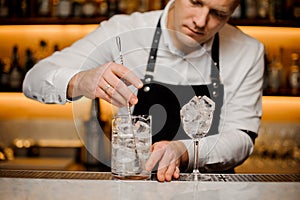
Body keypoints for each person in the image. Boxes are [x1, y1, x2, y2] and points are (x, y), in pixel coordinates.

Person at [23, 0, 264, 182]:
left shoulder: (248, 51)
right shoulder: (122, 30)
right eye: (196, 1)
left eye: (218, 14)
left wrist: (184, 151)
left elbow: (241, 138)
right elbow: (33, 80)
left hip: (211, 189)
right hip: (133, 183)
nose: (201, 21)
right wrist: (80, 80)